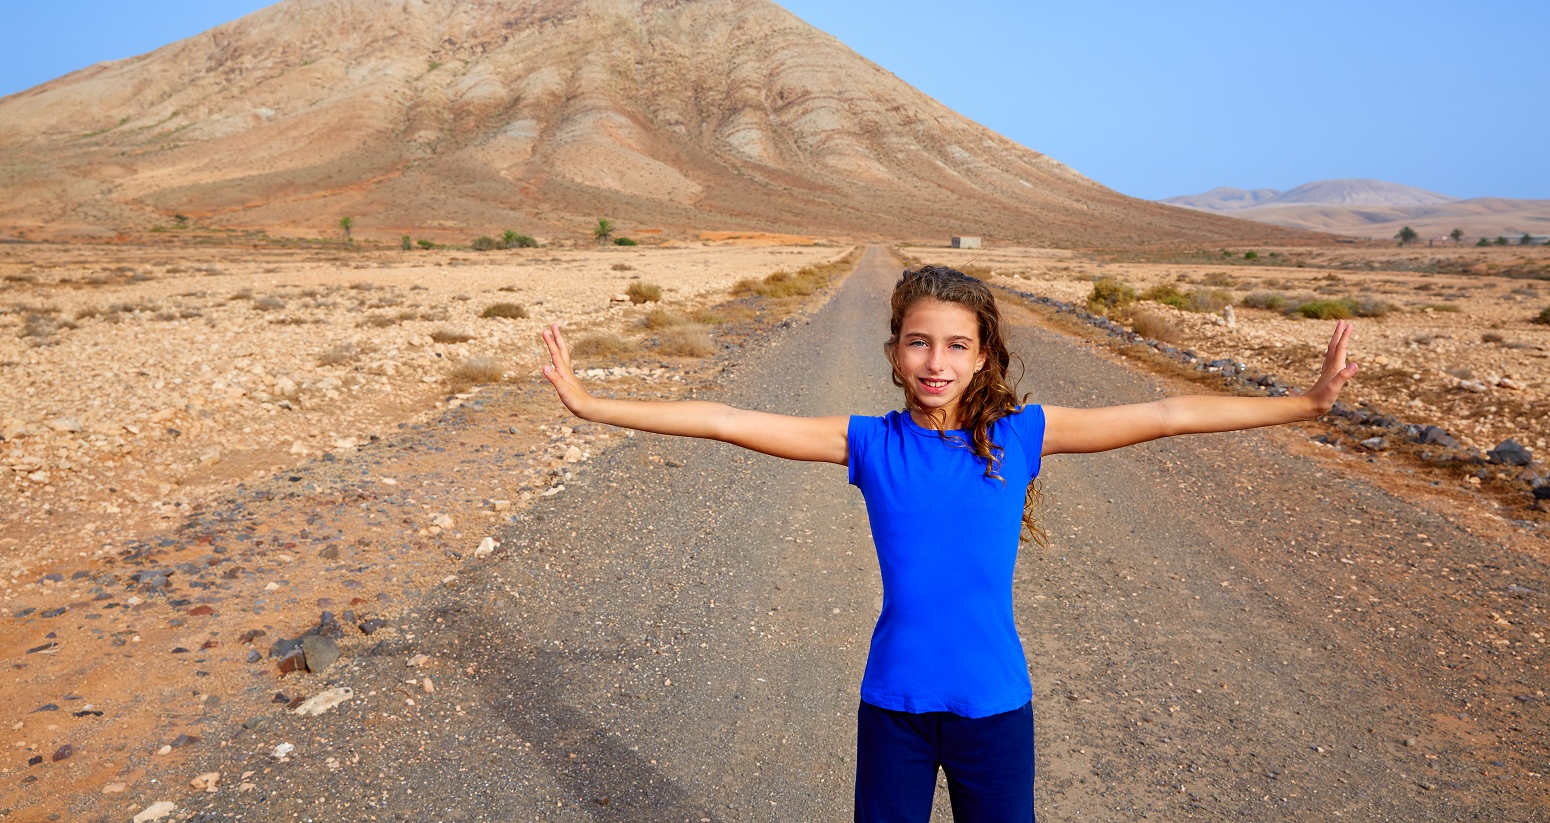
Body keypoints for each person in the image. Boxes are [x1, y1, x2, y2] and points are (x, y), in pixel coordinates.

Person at [540, 264, 1358, 822]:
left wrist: (1305, 403)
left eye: (957, 344)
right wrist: (591, 403)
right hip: (892, 708)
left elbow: (1168, 415)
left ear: (983, 355)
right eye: (919, 342)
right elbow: (724, 420)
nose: (936, 360)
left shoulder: (1023, 435)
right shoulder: (868, 442)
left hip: (994, 709)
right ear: (895, 352)